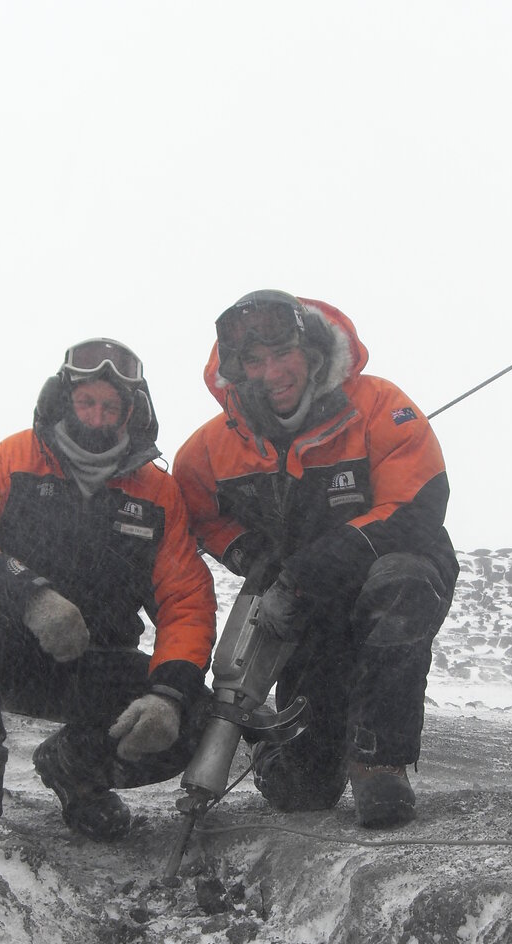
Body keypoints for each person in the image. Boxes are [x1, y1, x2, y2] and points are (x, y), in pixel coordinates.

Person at [0, 338, 216, 839]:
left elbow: (186, 604)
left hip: (88, 668)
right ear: (62, 400)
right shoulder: (16, 458)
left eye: (110, 406)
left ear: (132, 412)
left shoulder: (158, 494)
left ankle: (78, 769)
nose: (96, 416)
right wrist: (31, 596)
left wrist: (169, 696)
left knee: (195, 712)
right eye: (86, 401)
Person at [172, 291, 459, 827]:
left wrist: (304, 571)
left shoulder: (379, 407)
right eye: (254, 362)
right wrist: (252, 555)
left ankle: (379, 765)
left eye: (283, 354)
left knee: (402, 582)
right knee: (298, 794)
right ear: (237, 372)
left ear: (313, 352)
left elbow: (416, 510)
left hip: (383, 578)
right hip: (305, 613)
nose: (271, 372)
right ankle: (291, 762)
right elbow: (195, 510)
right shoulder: (211, 448)